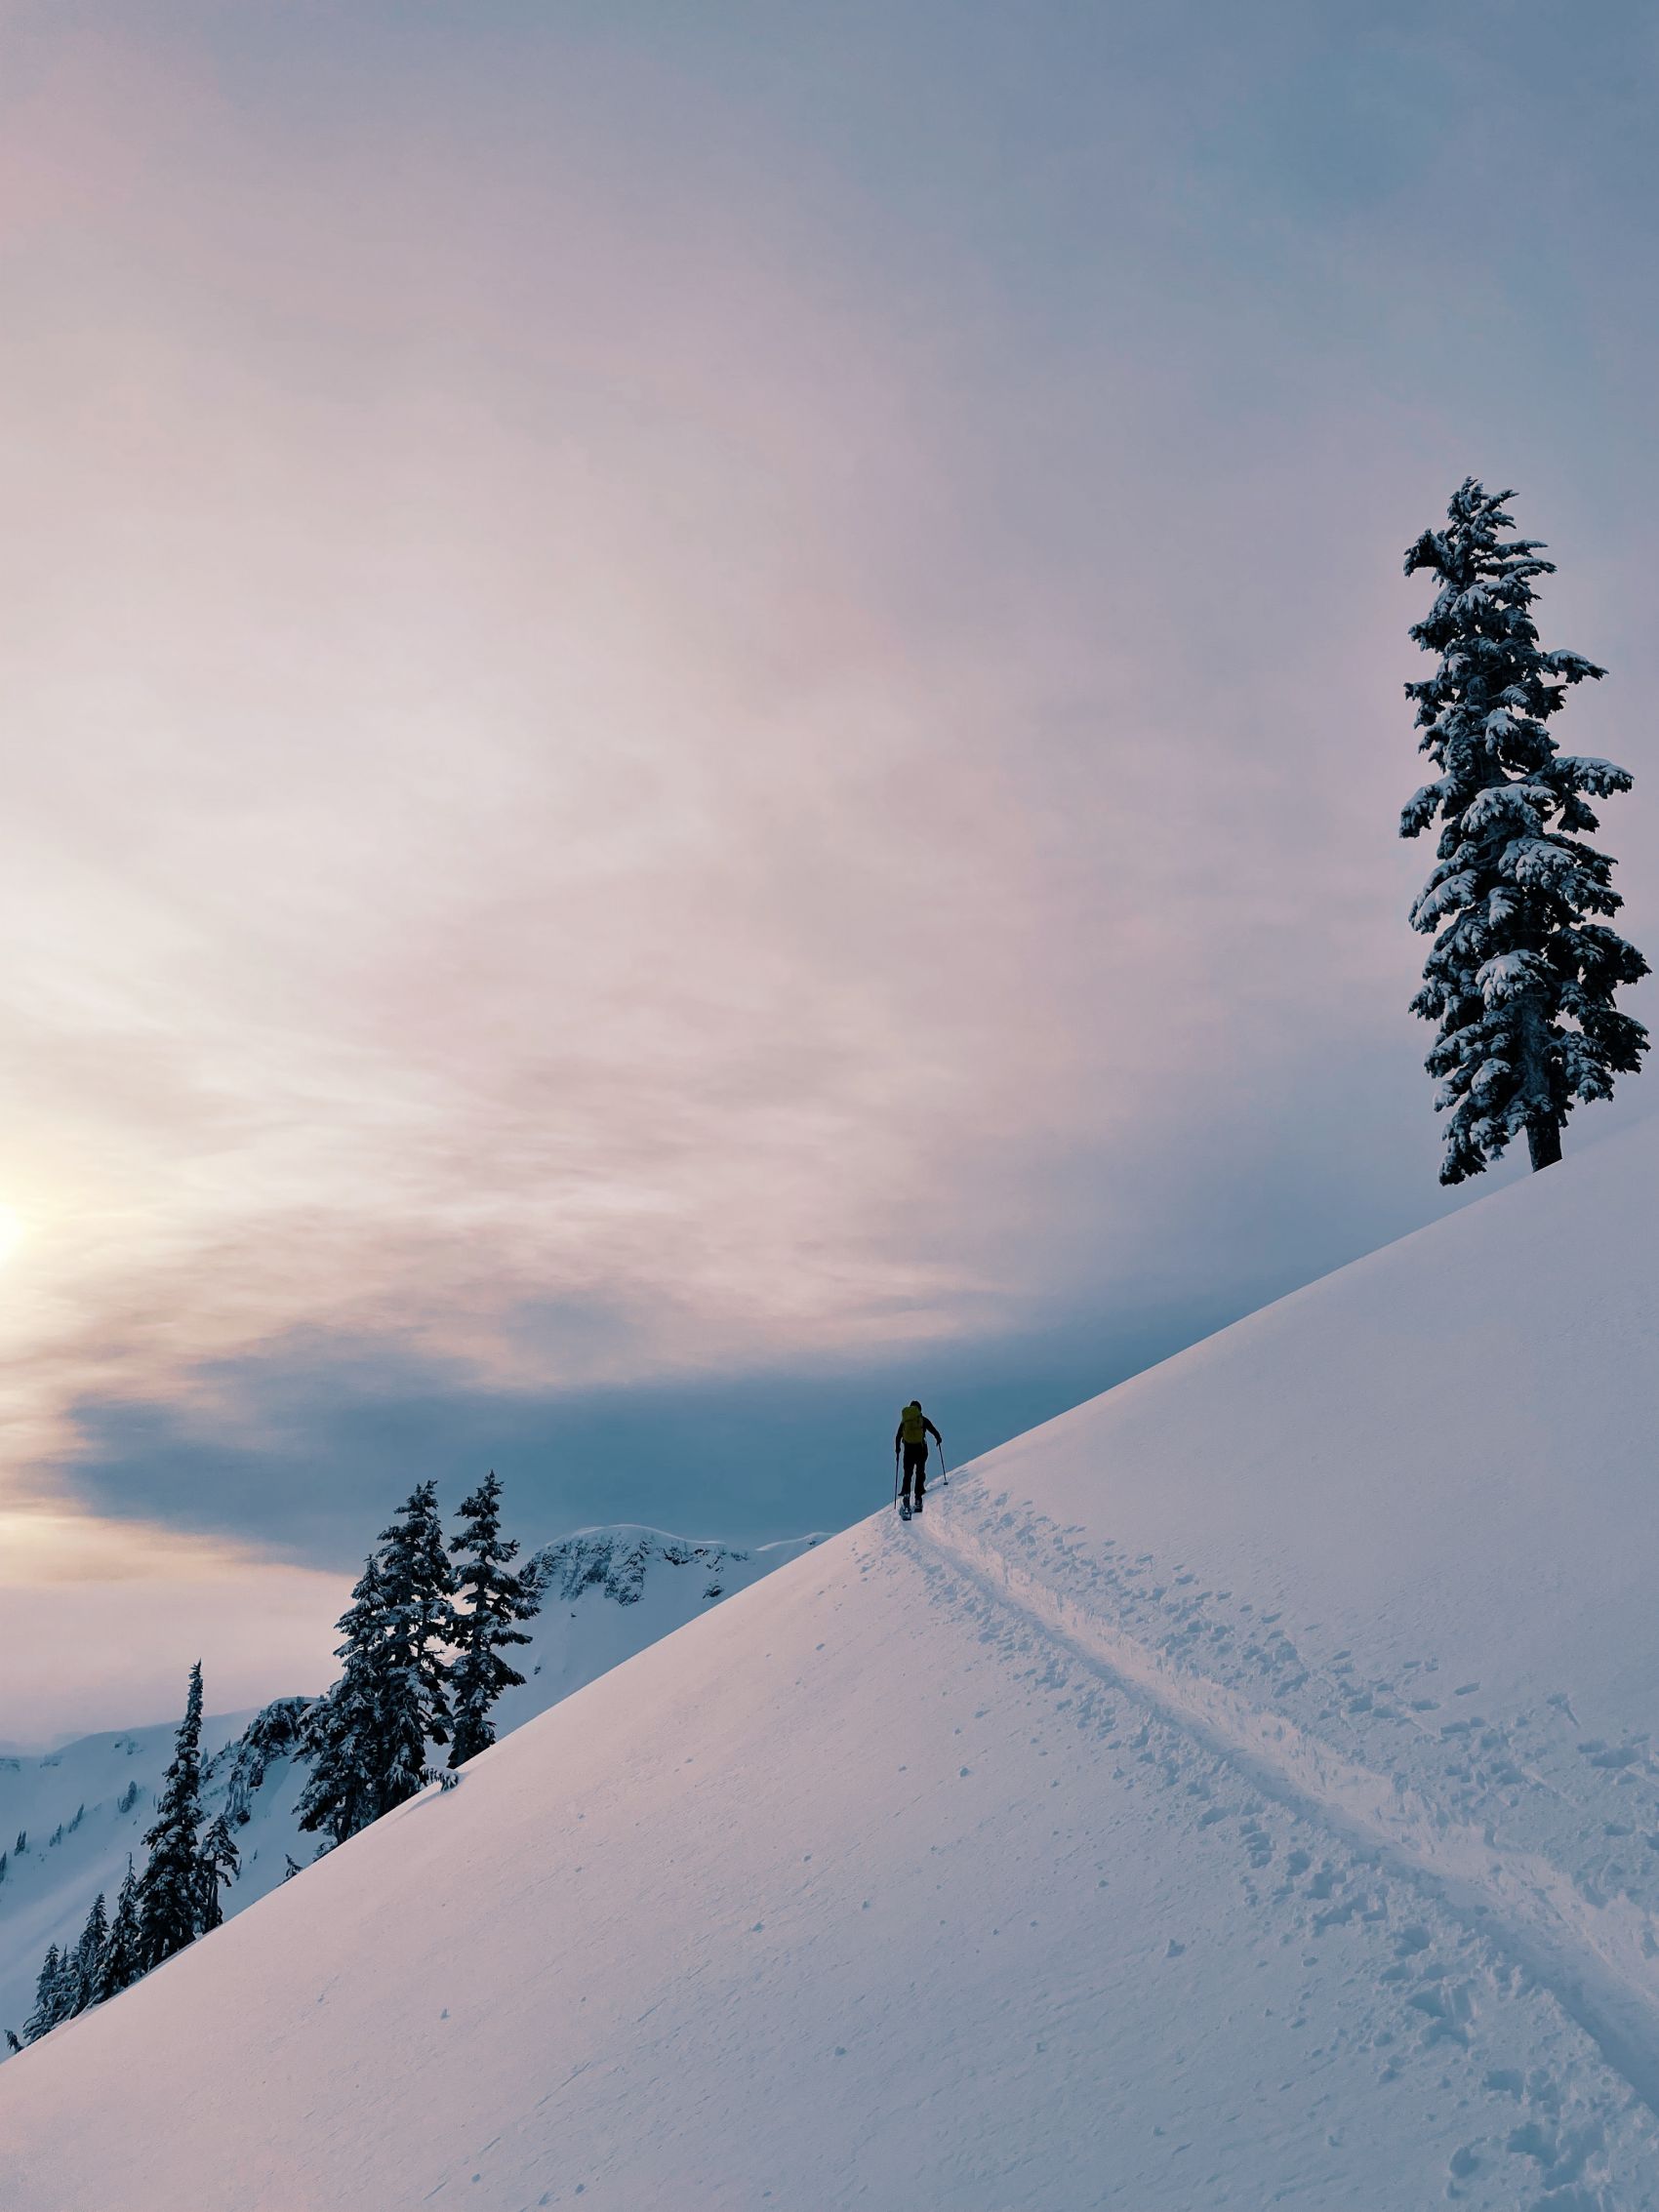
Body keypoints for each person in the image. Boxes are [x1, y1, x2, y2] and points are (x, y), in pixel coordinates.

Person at [894, 1399, 942, 1515]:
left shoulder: (905, 1422)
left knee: (908, 1474)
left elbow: (897, 1437)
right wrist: (938, 1439)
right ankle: (918, 1498)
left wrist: (898, 1449)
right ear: (919, 1409)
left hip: (908, 1452)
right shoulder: (922, 1420)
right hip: (921, 1450)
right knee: (920, 1472)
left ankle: (906, 1497)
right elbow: (933, 1430)